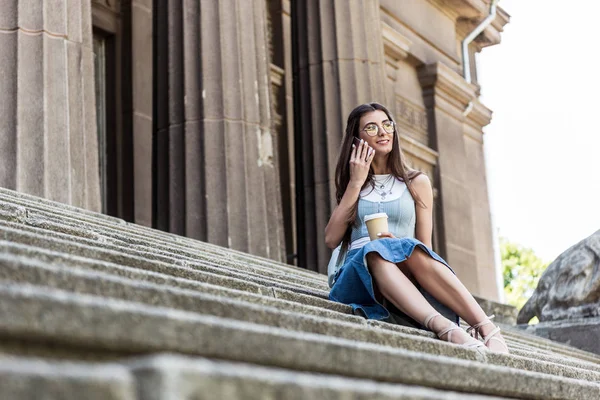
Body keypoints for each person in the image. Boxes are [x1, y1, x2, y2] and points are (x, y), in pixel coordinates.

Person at [326, 102, 509, 353]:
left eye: (387, 124)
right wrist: (356, 182)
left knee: (407, 249)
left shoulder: (416, 183)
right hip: (356, 274)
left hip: (403, 269)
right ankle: (448, 330)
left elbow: (425, 249)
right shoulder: (354, 185)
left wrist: (395, 244)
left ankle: (488, 330)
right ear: (357, 140)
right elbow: (331, 239)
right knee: (375, 253)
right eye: (371, 127)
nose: (382, 132)